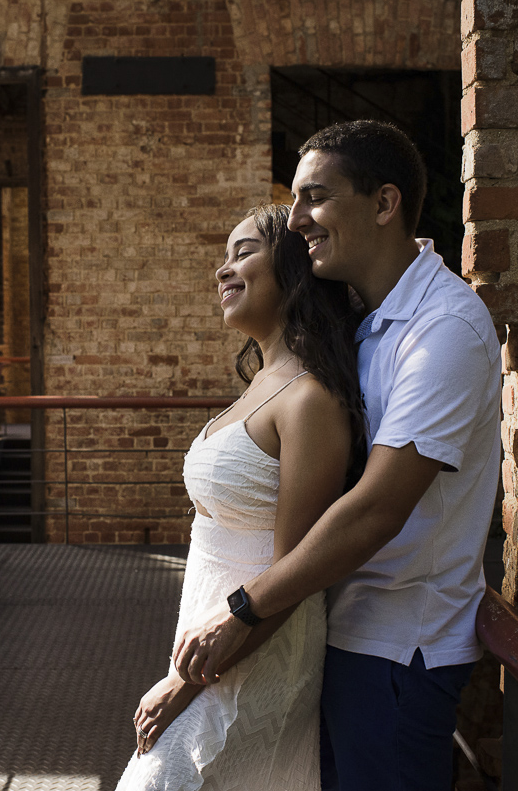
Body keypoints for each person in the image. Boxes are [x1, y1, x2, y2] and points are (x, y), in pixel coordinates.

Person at [172, 121, 502, 791]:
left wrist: (240, 611)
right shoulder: (371, 321)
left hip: (397, 650)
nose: (295, 222)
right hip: (336, 636)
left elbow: (375, 509)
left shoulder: (444, 329)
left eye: (315, 198)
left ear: (384, 204)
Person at [115, 204, 365, 791]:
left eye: (243, 252)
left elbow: (295, 568)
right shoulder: (262, 381)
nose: (223, 271)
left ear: (292, 268)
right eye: (224, 257)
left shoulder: (309, 400)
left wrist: (186, 684)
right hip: (212, 650)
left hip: (255, 656)